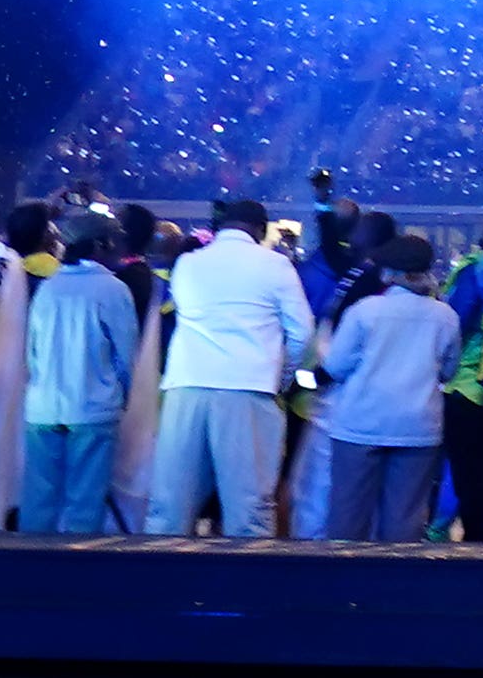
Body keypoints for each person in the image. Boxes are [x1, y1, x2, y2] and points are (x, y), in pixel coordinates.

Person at [146, 194, 317, 539]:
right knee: (248, 506)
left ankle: (161, 580)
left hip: (186, 386)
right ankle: (248, 588)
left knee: (171, 501)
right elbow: (303, 333)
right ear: (259, 229)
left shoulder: (188, 264)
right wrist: (281, 377)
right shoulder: (276, 266)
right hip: (248, 388)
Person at [312, 234, 459, 542]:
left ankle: (343, 585)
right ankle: (396, 586)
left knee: (348, 518)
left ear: (392, 273)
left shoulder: (365, 311)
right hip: (418, 428)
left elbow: (336, 366)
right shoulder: (445, 317)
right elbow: (448, 371)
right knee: (404, 520)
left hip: (360, 424)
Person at [20, 200, 144, 535]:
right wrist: (122, 398)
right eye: (116, 241)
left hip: (42, 408)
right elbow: (125, 355)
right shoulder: (113, 289)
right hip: (92, 408)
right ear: (101, 245)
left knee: (38, 501)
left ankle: (28, 571)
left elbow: (31, 352)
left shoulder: (48, 287)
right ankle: (75, 576)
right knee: (84, 505)